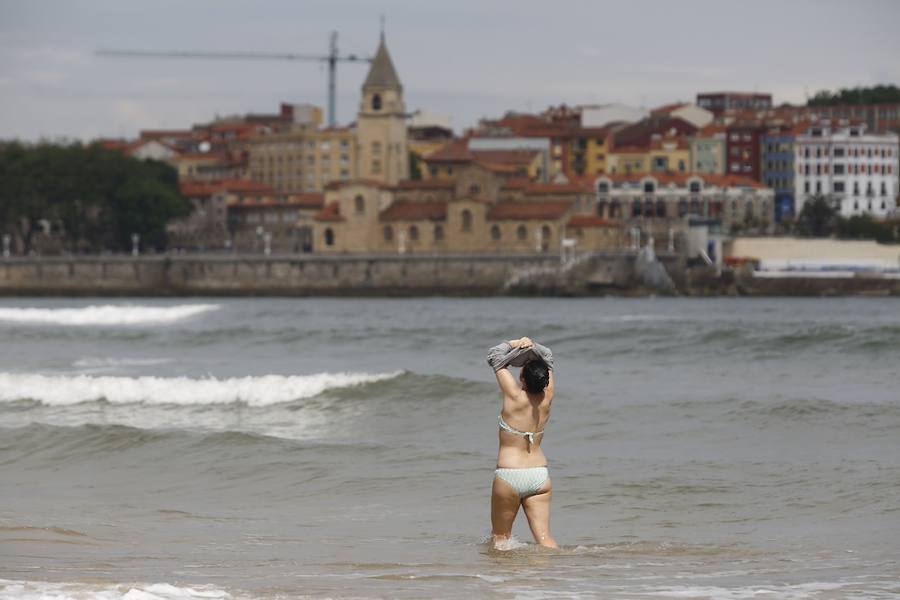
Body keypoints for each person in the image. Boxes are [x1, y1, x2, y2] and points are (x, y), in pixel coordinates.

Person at [486, 336, 558, 549]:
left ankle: (506, 581)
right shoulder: (548, 396)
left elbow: (494, 356)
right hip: (539, 475)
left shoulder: (514, 395)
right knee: (545, 539)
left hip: (510, 475)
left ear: (524, 380)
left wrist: (516, 343)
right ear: (545, 379)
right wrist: (534, 345)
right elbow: (548, 357)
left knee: (501, 538)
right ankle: (557, 575)